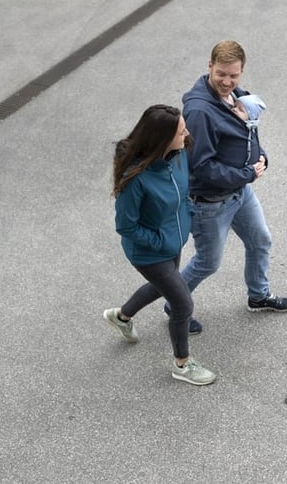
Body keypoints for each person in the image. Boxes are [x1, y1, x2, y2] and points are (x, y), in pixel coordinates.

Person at [174, 40, 287, 326]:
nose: (227, 81)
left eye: (234, 75)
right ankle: (175, 306)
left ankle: (258, 295)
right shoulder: (200, 112)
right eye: (221, 74)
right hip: (210, 203)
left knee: (260, 240)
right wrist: (248, 174)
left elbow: (246, 136)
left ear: (241, 72)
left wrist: (261, 157)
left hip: (239, 193)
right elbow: (200, 168)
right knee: (207, 263)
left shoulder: (236, 96)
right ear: (209, 67)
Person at [103, 104, 216, 386]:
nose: (187, 134)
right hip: (148, 253)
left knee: (161, 286)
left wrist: (187, 213)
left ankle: (121, 316)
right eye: (181, 131)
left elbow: (183, 191)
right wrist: (161, 241)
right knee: (181, 303)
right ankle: (183, 364)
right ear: (162, 139)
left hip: (172, 241)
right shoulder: (136, 179)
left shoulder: (177, 156)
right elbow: (126, 226)